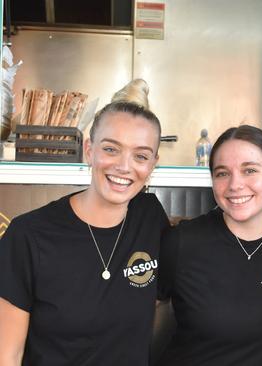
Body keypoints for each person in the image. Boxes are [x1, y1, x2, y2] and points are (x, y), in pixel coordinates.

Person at [0, 79, 169, 365]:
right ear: (90, 150)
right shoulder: (28, 236)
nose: (124, 167)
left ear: (153, 164)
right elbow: (7, 355)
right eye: (111, 149)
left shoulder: (149, 216)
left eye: (140, 155)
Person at [155, 125, 262, 366]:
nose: (235, 184)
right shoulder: (183, 242)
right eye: (222, 173)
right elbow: (135, 319)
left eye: (249, 170)